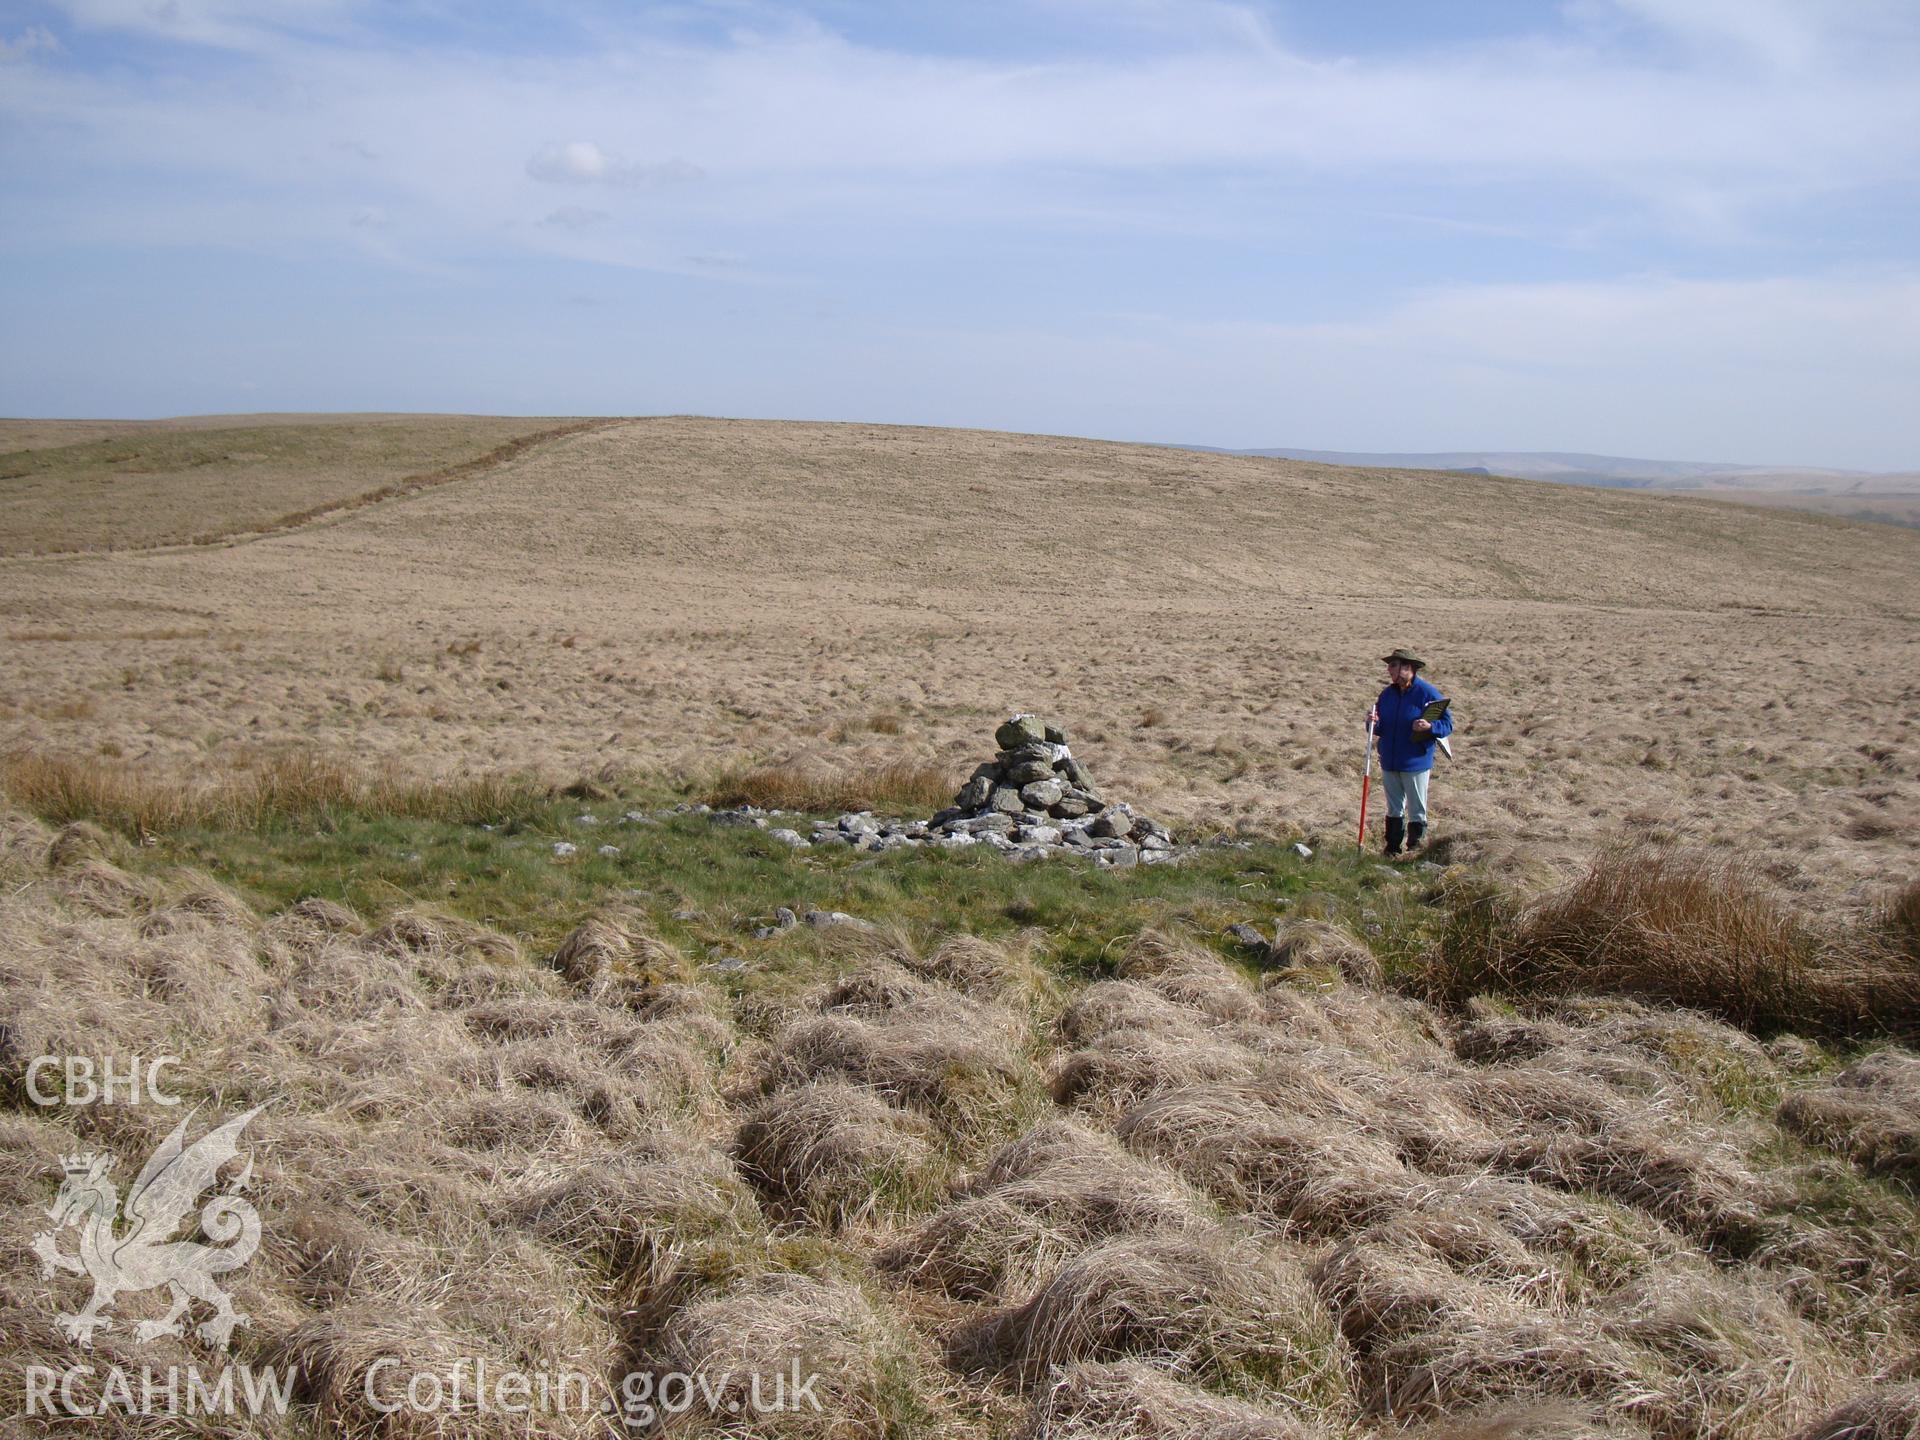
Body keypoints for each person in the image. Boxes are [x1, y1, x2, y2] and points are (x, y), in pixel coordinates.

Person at [1367, 648, 1452, 856]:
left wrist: (1430, 728)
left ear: (1408, 668)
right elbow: (1379, 727)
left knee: (1417, 809)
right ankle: (1392, 848)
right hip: (1390, 760)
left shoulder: (1428, 693)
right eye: (1390, 666)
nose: (1389, 670)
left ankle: (1415, 850)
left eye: (1393, 665)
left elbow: (1447, 724)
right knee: (1393, 807)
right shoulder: (1387, 694)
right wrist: (1372, 723)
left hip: (1415, 761)